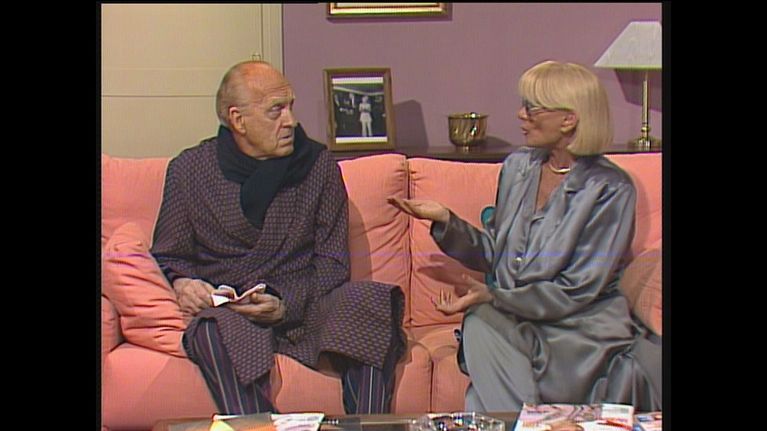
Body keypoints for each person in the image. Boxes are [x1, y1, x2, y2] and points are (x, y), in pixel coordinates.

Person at [388, 60, 661, 412]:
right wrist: (445, 220)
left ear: (569, 119)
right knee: (479, 326)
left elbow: (578, 289)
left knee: (479, 391)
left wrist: (496, 297)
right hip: (517, 318)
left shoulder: (610, 188)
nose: (521, 115)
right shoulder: (519, 167)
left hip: (577, 328)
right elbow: (497, 252)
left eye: (532, 108)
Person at [151, 60, 405, 415]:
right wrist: (183, 283)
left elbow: (333, 263)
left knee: (369, 301)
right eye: (276, 111)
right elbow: (169, 255)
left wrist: (284, 303)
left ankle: (367, 424)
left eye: (290, 107)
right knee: (211, 331)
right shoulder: (189, 171)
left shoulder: (318, 164)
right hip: (233, 311)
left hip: (304, 302)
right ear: (238, 120)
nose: (291, 121)